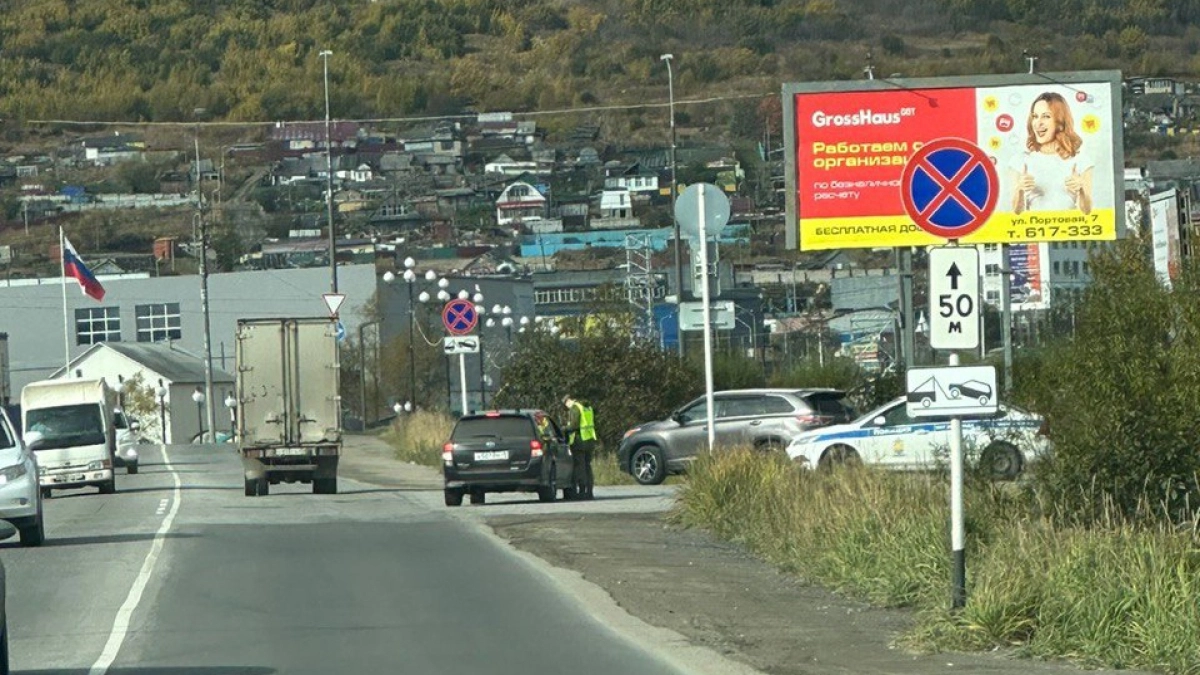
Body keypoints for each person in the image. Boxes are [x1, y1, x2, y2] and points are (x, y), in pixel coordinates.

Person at [1010, 91, 1094, 216]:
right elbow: (1016, 212)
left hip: (1068, 231)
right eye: (1035, 116)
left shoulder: (1081, 160)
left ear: (1060, 122)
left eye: (1046, 116)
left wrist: (1081, 188)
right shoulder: (1020, 161)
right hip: (1034, 231)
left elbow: (1087, 211)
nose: (1038, 123)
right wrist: (1019, 189)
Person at [562, 395, 597, 500]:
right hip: (589, 440)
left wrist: (563, 428)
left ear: (568, 401)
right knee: (587, 466)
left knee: (579, 467)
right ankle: (589, 492)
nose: (566, 407)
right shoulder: (587, 407)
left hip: (579, 441)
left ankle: (582, 491)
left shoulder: (575, 408)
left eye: (565, 404)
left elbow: (574, 426)